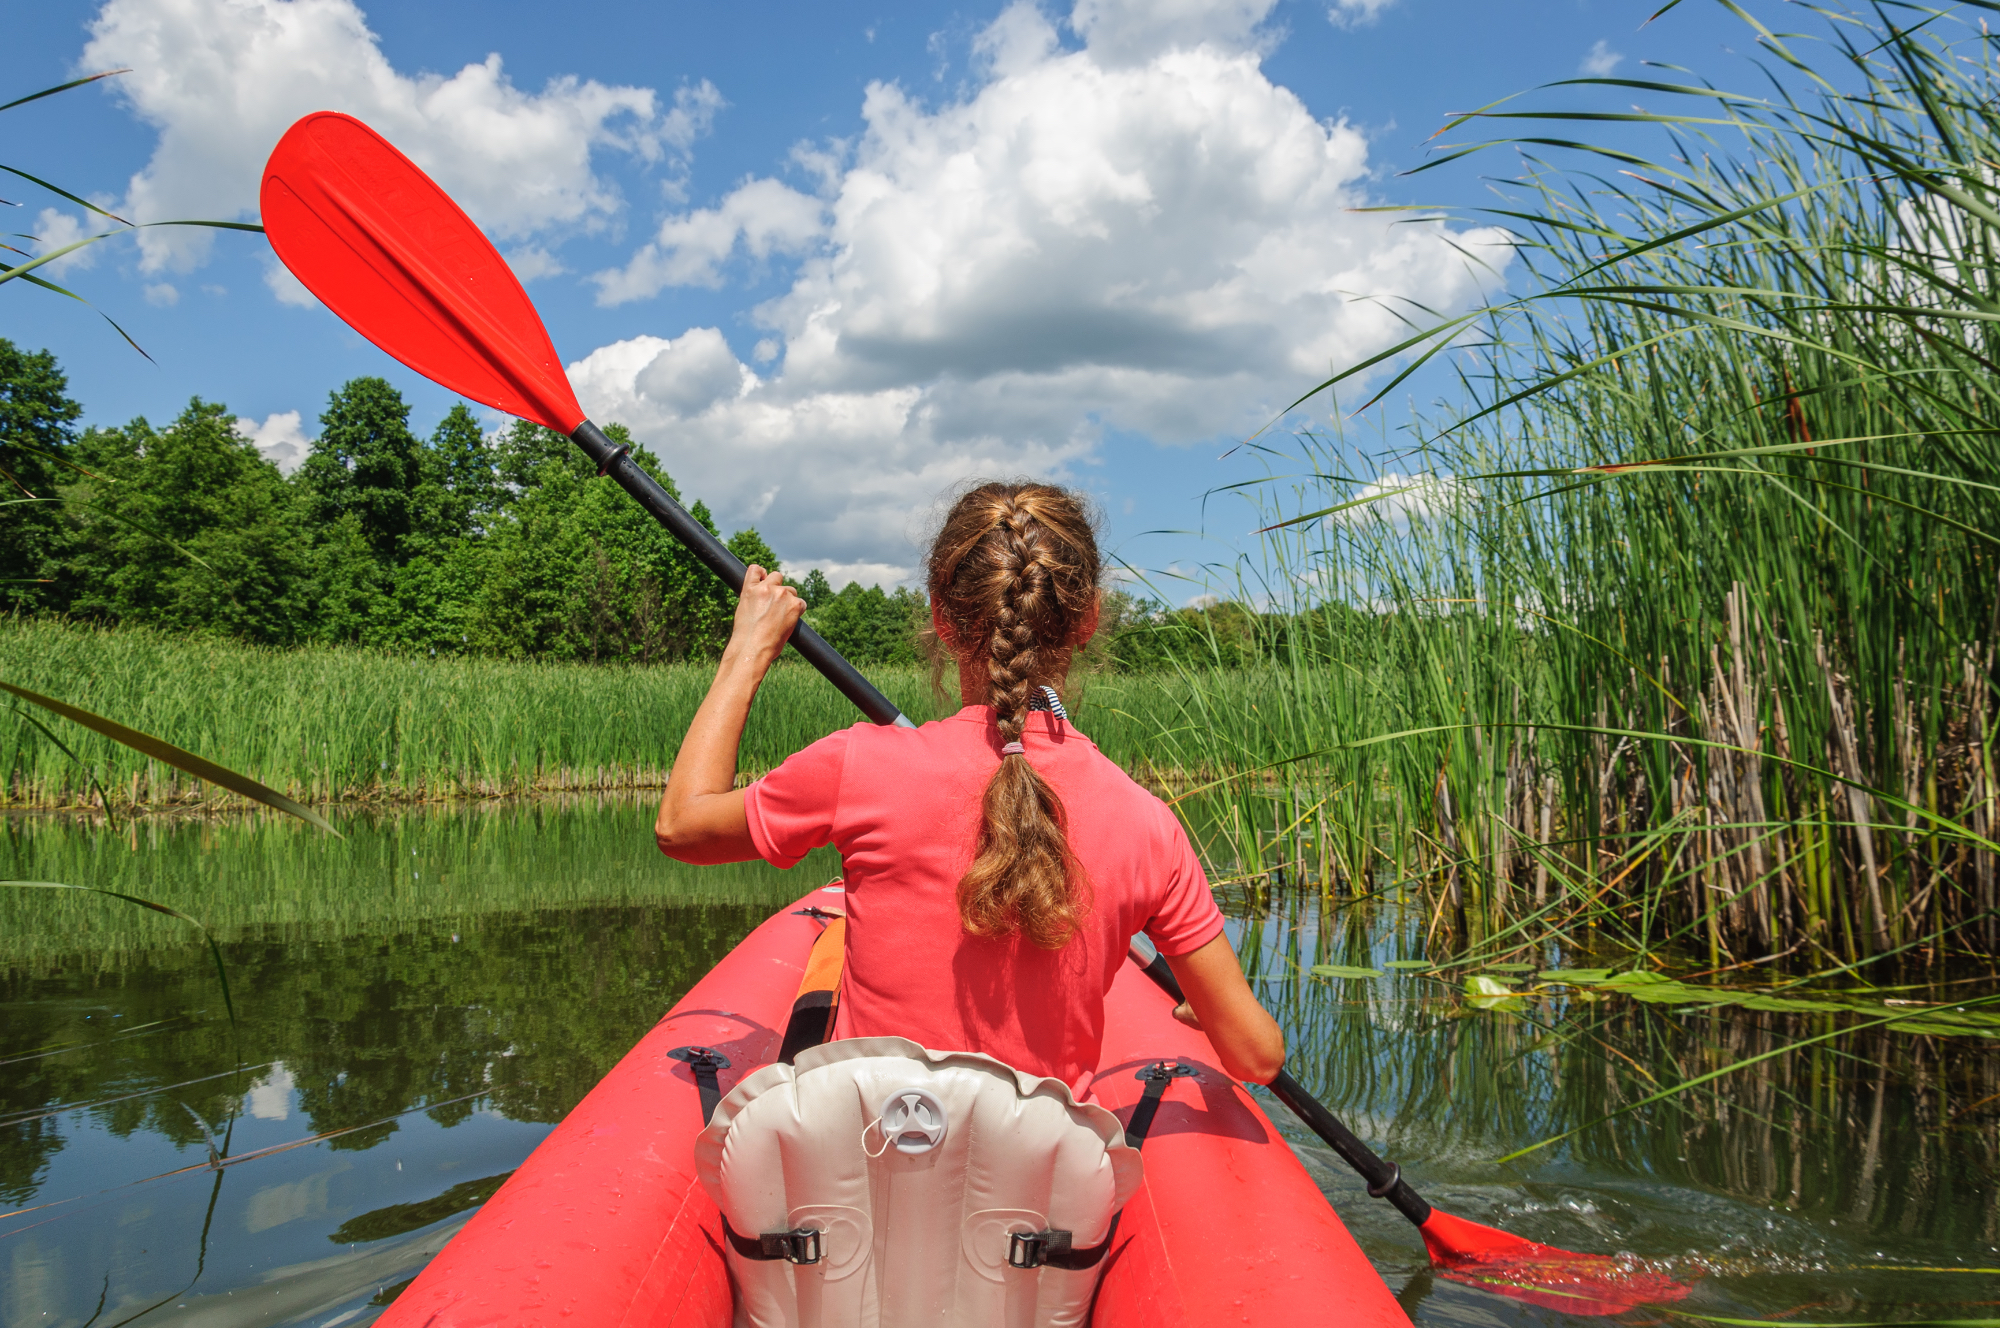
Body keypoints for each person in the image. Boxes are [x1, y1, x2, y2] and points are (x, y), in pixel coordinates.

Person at [655, 481, 1283, 1093]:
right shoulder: (1149, 824)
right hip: (1039, 1193)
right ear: (1089, 620)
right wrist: (1210, 1007)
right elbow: (1255, 1057)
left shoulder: (858, 765)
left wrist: (748, 649)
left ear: (940, 618)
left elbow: (682, 825)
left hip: (865, 1173)